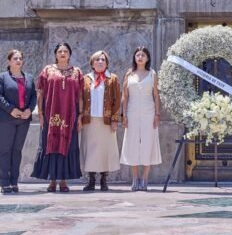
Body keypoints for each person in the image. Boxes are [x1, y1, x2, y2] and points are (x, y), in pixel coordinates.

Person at [31, 43, 83, 192]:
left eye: (65, 51)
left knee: (68, 145)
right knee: (51, 145)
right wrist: (40, 113)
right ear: (55, 54)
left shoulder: (77, 72)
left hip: (70, 115)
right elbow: (40, 93)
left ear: (70, 54)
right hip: (50, 115)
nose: (62, 53)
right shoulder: (47, 70)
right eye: (60, 51)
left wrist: (80, 115)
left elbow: (80, 96)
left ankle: (64, 180)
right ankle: (52, 180)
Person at [0, 49, 36, 194]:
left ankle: (14, 181)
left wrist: (29, 110)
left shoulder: (29, 78)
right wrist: (11, 109)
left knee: (17, 151)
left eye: (20, 58)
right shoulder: (2, 77)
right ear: (9, 61)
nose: (18, 61)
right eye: (15, 58)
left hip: (24, 119)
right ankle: (4, 182)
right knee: (6, 150)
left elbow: (34, 97)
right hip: (6, 118)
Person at [120, 47, 162, 191]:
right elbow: (124, 96)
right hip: (132, 112)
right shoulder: (129, 74)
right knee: (132, 143)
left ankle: (145, 177)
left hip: (148, 112)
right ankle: (135, 177)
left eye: (143, 55)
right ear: (134, 57)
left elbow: (156, 95)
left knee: (147, 143)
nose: (140, 57)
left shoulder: (152, 74)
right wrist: (123, 114)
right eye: (137, 55)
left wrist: (157, 114)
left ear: (147, 58)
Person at [80, 50, 121, 192]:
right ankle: (91, 179)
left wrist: (115, 119)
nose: (100, 62)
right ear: (92, 62)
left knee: (105, 150)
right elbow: (81, 99)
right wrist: (80, 117)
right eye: (97, 59)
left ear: (107, 63)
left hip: (106, 120)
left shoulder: (112, 79)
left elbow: (117, 100)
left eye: (103, 59)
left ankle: (104, 179)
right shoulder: (85, 79)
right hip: (89, 120)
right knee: (90, 150)